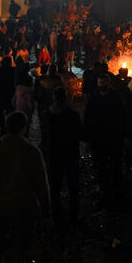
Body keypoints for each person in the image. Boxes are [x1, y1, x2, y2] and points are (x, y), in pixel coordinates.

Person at [0, 111, 51, 263]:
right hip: (24, 207)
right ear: (24, 127)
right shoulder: (32, 151)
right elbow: (41, 183)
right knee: (20, 249)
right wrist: (45, 209)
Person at [84, 72, 128, 206]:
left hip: (114, 139)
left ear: (109, 84)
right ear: (98, 84)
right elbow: (87, 119)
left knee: (116, 168)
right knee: (101, 169)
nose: (102, 86)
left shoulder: (116, 98)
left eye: (104, 84)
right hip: (99, 140)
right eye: (100, 84)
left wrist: (124, 136)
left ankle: (118, 196)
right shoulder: (93, 99)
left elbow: (123, 118)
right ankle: (106, 195)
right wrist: (87, 139)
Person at [46, 86, 83, 224]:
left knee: (55, 185)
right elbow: (80, 133)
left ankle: (56, 214)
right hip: (70, 154)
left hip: (55, 154)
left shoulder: (48, 115)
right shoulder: (73, 115)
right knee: (73, 185)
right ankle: (74, 214)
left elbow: (46, 135)